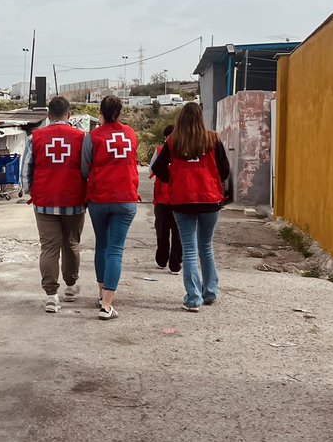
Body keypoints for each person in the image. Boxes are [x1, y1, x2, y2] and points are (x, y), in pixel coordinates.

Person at [150, 102, 230, 312]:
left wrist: (173, 179)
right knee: (206, 246)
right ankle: (210, 291)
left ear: (181, 119)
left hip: (182, 199)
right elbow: (224, 169)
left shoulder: (174, 141)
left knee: (190, 248)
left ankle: (193, 298)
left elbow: (157, 167)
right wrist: (211, 180)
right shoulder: (213, 139)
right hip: (209, 199)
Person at [21, 96, 87, 313]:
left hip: (45, 202)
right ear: (69, 115)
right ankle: (70, 287)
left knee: (49, 248)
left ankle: (51, 297)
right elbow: (87, 169)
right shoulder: (82, 137)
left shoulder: (34, 138)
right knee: (71, 244)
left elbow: (26, 171)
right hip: (74, 200)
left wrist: (32, 191)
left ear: (48, 115)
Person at [81, 94, 139, 320]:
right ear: (120, 112)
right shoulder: (131, 134)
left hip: (99, 198)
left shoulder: (92, 136)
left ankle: (101, 293)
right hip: (125, 196)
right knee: (116, 249)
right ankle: (107, 305)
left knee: (102, 246)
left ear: (101, 112)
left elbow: (85, 168)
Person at [150, 125, 182, 274]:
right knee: (176, 232)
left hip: (164, 199)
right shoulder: (184, 150)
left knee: (163, 231)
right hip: (177, 199)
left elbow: (152, 169)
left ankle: (163, 260)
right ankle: (174, 263)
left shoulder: (159, 151)